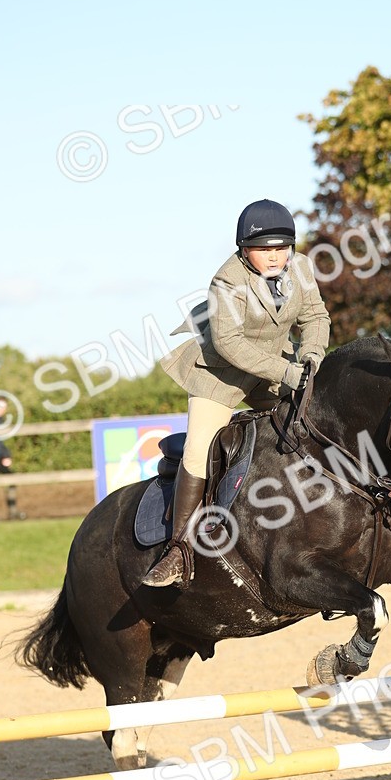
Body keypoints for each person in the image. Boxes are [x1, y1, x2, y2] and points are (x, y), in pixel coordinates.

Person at [143, 198, 330, 588]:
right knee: (199, 448)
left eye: (282, 247)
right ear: (244, 250)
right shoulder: (227, 281)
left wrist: (311, 355)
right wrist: (287, 372)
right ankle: (178, 550)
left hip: (276, 368)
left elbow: (315, 317)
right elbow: (229, 344)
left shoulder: (301, 267)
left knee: (310, 425)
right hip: (222, 373)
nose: (275, 256)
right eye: (264, 250)